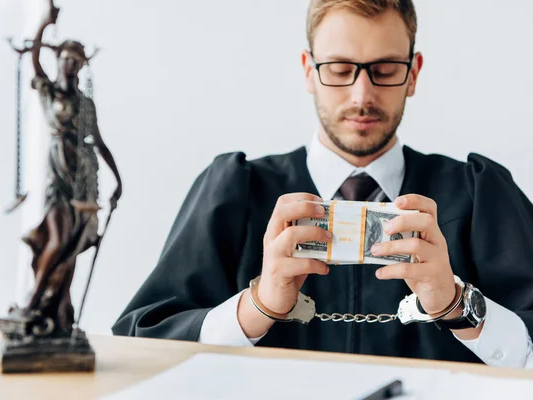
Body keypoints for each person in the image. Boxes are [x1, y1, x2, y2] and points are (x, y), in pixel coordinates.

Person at [112, 0, 533, 368]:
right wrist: (255, 308)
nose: (361, 94)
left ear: (413, 73)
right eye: (339, 69)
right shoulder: (236, 191)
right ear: (309, 72)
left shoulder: (480, 195)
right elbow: (140, 345)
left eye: (385, 69)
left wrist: (458, 304)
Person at [21, 3, 122, 336]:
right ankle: (32, 304)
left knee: (73, 250)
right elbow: (33, 59)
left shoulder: (85, 103)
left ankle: (60, 312)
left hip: (84, 185)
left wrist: (118, 180)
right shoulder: (49, 93)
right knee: (58, 239)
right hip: (58, 181)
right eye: (66, 60)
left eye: (76, 62)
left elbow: (100, 142)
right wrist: (43, 25)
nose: (71, 66)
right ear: (59, 62)